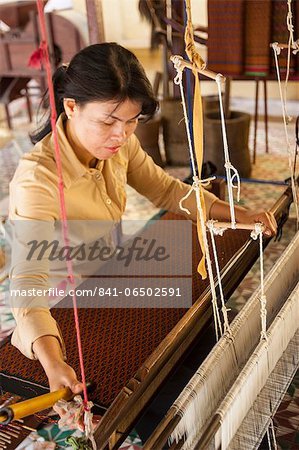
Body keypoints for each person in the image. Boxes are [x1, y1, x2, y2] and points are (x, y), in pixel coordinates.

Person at [9, 43, 277, 403]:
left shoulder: (120, 145)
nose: (121, 134)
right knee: (159, 391)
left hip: (112, 275)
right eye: (108, 121)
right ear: (71, 107)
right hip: (63, 310)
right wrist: (55, 363)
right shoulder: (37, 180)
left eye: (132, 121)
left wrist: (241, 216)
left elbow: (167, 191)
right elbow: (28, 285)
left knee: (206, 335)